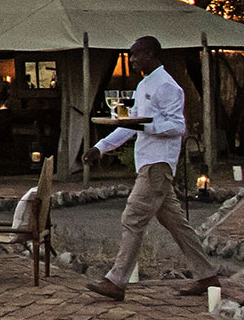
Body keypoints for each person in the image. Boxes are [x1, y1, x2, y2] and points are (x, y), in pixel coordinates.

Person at [83, 36, 219, 302]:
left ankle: (116, 281)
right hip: (148, 162)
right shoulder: (145, 84)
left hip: (158, 164)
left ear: (152, 54)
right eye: (131, 55)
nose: (132, 60)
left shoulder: (168, 86)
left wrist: (147, 126)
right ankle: (207, 276)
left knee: (132, 217)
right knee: (177, 224)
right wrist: (101, 147)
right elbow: (131, 124)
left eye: (136, 55)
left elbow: (178, 127)